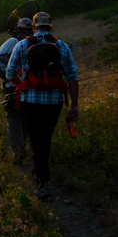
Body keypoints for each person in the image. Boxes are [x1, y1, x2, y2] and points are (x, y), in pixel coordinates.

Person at [6, 12, 79, 199]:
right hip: (54, 102)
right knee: (44, 138)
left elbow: (10, 73)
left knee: (36, 139)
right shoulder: (61, 46)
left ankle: (43, 182)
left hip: (29, 101)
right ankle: (41, 174)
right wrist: (74, 105)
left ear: (34, 27)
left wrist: (23, 85)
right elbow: (72, 78)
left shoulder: (22, 45)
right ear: (50, 27)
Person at [0, 18, 33, 165]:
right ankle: (31, 150)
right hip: (33, 89)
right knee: (28, 118)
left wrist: (10, 74)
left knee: (14, 117)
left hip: (12, 88)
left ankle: (19, 149)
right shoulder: (38, 43)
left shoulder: (12, 42)